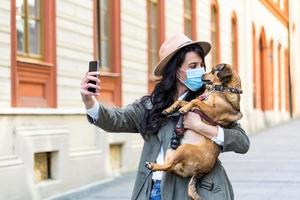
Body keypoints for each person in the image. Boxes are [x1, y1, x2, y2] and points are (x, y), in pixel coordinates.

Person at [80, 33, 250, 200]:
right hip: (154, 190)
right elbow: (116, 119)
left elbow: (242, 142)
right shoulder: (151, 106)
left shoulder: (212, 101)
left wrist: (201, 127)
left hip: (199, 191)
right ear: (176, 72)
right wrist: (89, 101)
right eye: (192, 66)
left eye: (201, 65)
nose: (200, 71)